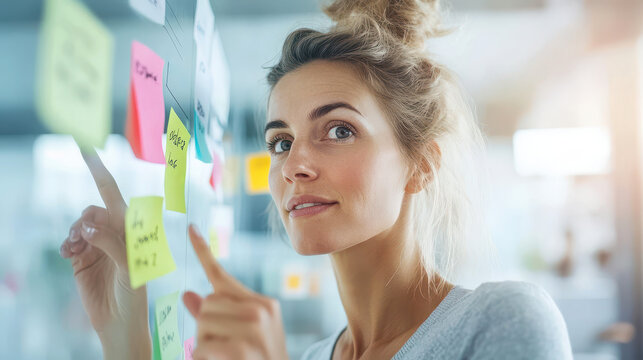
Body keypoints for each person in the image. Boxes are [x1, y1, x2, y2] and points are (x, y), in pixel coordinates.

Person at [59, 0, 574, 359]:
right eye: (280, 142)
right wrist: (125, 339)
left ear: (422, 164)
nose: (292, 165)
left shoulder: (503, 320)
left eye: (339, 130)